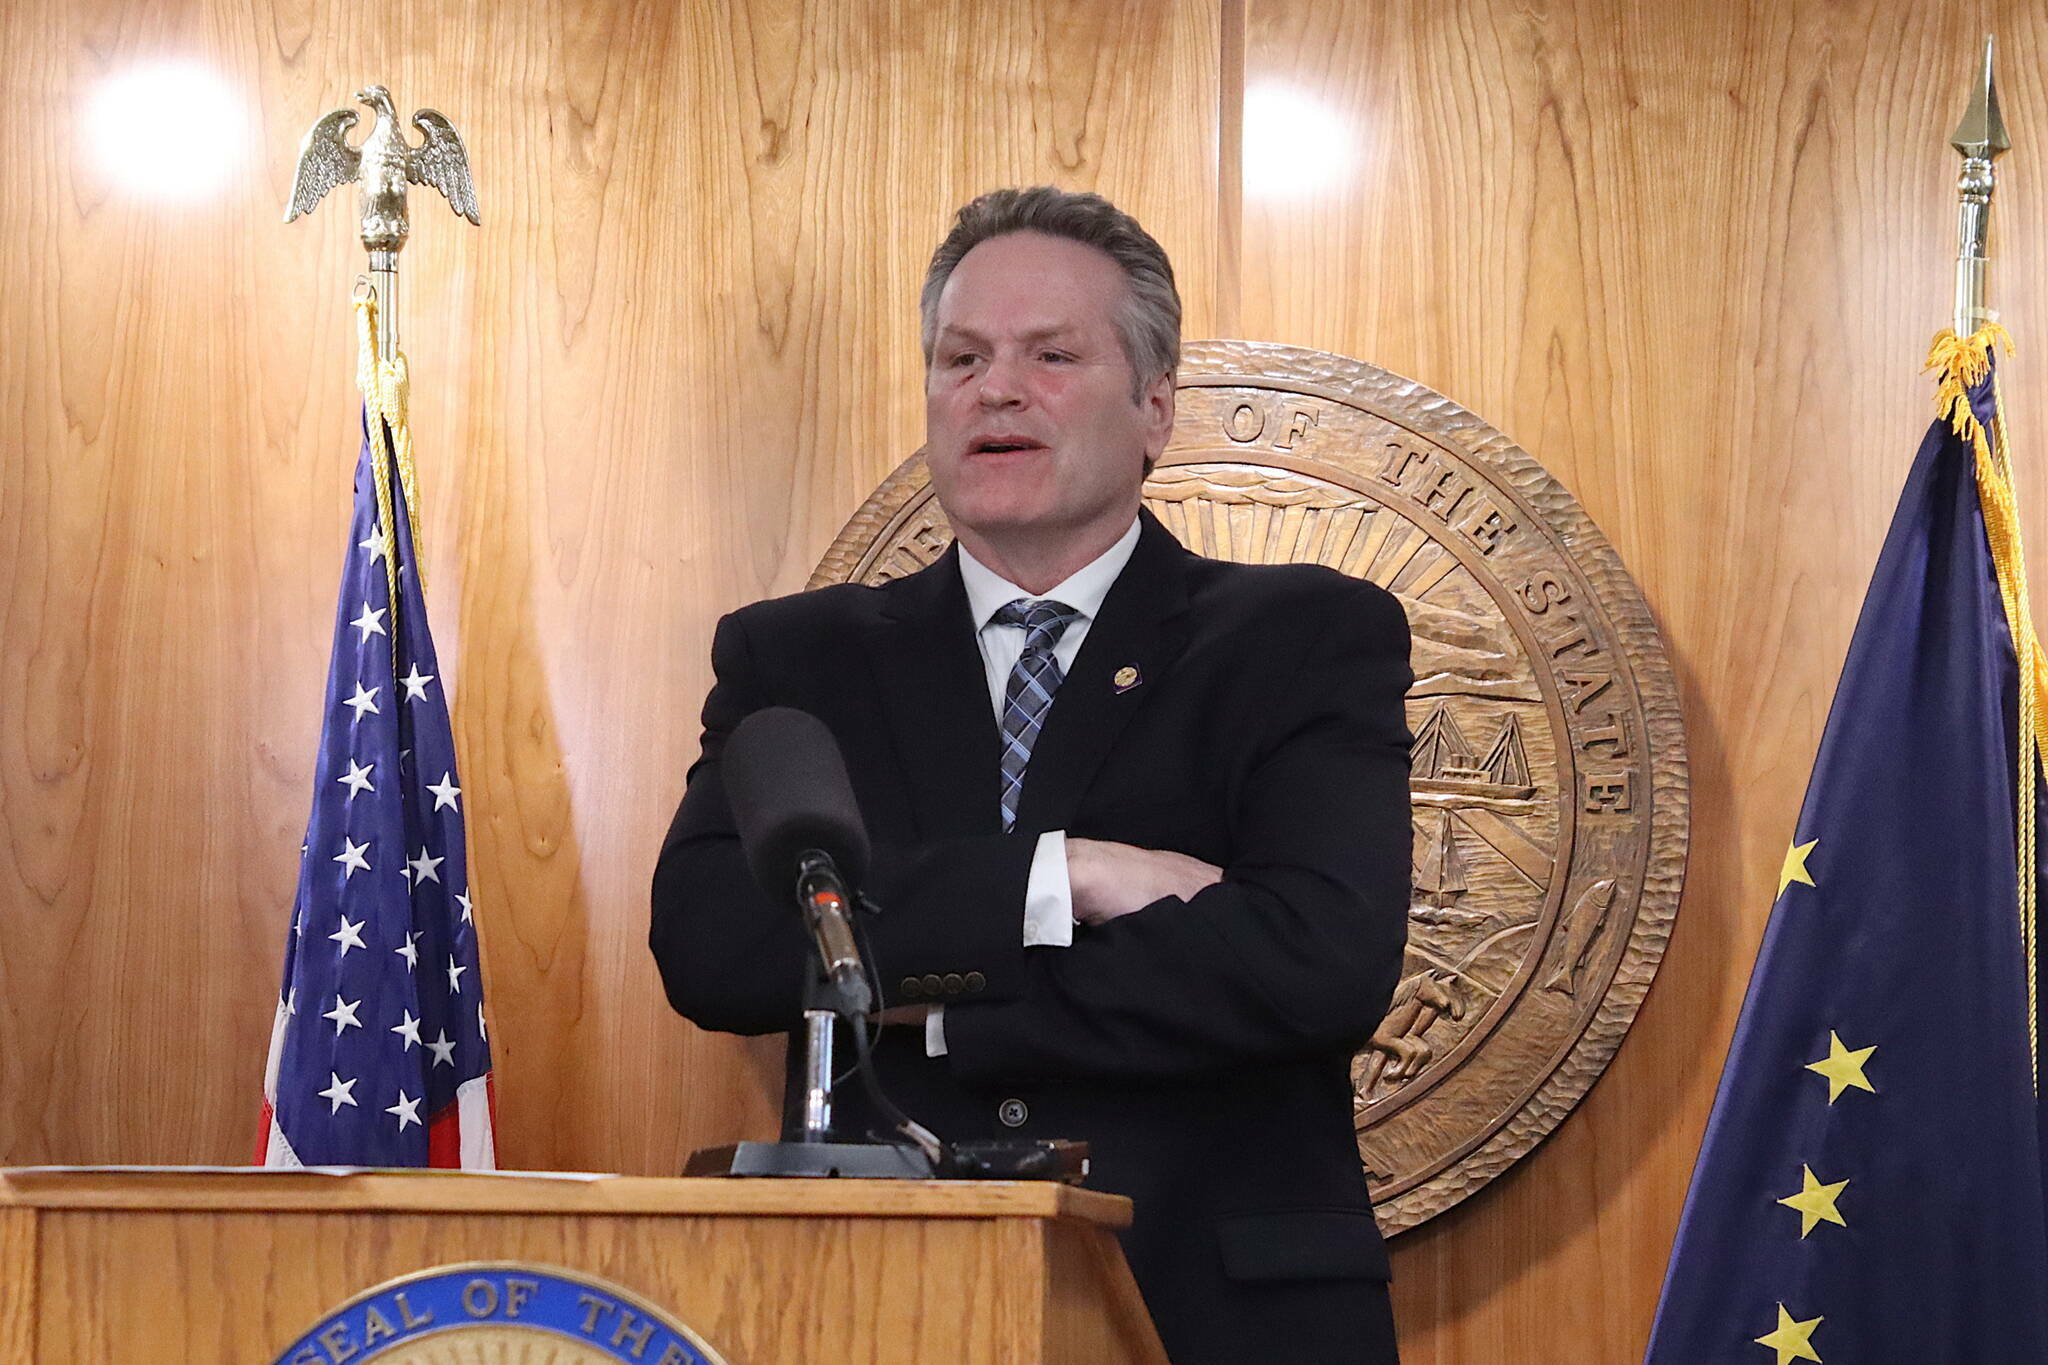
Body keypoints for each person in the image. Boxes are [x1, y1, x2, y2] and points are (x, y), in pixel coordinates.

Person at [651, 186, 1411, 1365]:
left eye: (1050, 355)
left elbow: (1315, 962)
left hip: (1212, 1311)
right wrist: (1065, 879)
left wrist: (937, 1009)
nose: (994, 389)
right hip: (882, 1311)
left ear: (1154, 405)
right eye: (961, 358)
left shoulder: (1302, 638)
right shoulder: (797, 656)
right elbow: (713, 943)